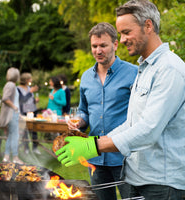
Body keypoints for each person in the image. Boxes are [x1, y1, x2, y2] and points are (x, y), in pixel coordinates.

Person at [56, 1, 185, 200]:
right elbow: (132, 124)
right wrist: (92, 141)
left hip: (162, 185)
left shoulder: (169, 69)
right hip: (139, 178)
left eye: (126, 32)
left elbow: (148, 129)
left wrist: (93, 146)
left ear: (148, 26)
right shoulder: (146, 69)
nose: (122, 40)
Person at [66, 22, 138, 200]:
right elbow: (84, 110)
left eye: (103, 45)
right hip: (95, 157)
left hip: (125, 157)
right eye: (94, 46)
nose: (98, 50)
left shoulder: (134, 73)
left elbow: (141, 115)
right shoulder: (85, 77)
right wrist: (79, 121)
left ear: (115, 44)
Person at [0, 67, 24, 164]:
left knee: (11, 135)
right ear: (16, 76)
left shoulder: (10, 85)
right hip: (12, 114)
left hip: (13, 114)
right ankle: (15, 157)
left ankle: (6, 157)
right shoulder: (11, 85)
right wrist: (15, 108)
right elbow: (5, 98)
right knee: (15, 136)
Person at [17, 72, 41, 155]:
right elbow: (22, 100)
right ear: (26, 80)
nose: (31, 80)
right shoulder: (18, 89)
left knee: (34, 130)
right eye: (30, 78)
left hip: (33, 110)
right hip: (24, 112)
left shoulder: (29, 87)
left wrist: (35, 101)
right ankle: (26, 148)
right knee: (25, 131)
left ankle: (35, 148)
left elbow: (30, 100)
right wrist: (30, 92)